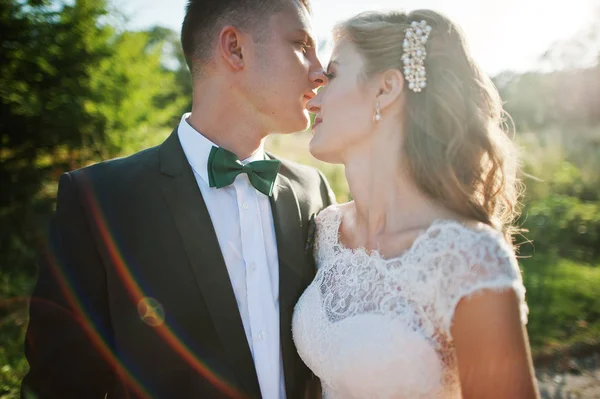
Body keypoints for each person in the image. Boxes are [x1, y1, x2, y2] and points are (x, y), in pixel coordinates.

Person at [22, 0, 334, 398]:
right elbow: (58, 385)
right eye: (301, 44)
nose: (320, 70)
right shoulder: (100, 200)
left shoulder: (313, 192)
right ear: (234, 48)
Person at [292, 9, 540, 398]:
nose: (313, 99)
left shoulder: (466, 256)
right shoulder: (326, 231)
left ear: (386, 89)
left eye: (333, 75)